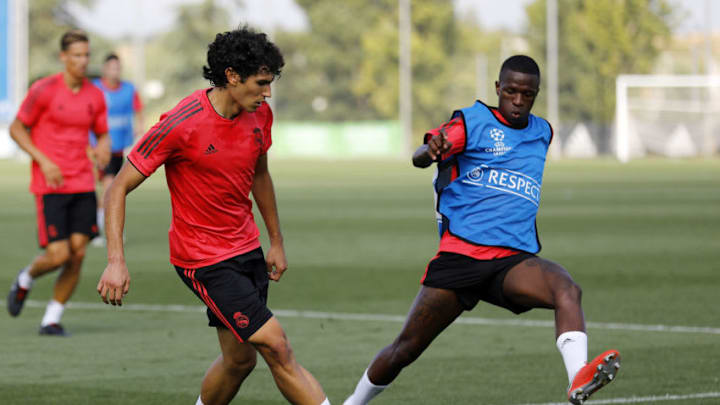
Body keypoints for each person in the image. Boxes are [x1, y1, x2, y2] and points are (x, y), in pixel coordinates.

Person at [343, 55, 621, 405]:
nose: (518, 101)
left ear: (536, 94)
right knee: (405, 349)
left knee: (566, 289)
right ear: (497, 89)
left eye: (527, 94)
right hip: (462, 256)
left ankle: (577, 382)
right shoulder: (472, 122)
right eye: (511, 92)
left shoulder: (542, 132)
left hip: (512, 261)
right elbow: (422, 154)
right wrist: (430, 150)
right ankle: (354, 402)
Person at [96, 27, 330, 405]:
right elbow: (117, 187)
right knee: (277, 346)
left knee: (239, 361)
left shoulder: (260, 115)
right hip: (203, 258)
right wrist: (115, 261)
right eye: (261, 82)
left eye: (271, 83)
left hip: (247, 249)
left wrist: (276, 242)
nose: (268, 93)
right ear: (232, 76)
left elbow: (260, 175)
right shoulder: (181, 122)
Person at [6, 29, 110, 336]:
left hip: (82, 182)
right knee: (59, 255)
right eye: (76, 55)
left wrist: (103, 145)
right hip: (50, 184)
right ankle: (26, 278)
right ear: (63, 57)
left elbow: (102, 132)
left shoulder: (95, 95)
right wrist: (44, 160)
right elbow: (16, 128)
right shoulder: (44, 90)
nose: (82, 61)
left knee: (77, 255)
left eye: (86, 55)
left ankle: (51, 318)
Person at [89, 53, 144, 247]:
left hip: (119, 148)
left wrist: (139, 126)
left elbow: (139, 109)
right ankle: (101, 230)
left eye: (118, 68)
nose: (115, 71)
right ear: (105, 69)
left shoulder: (129, 89)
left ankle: (97, 228)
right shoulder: (95, 88)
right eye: (112, 68)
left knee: (109, 188)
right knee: (109, 187)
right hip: (99, 147)